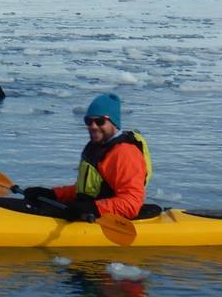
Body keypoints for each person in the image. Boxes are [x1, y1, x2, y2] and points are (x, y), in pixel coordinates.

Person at [22, 93, 151, 221]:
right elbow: (87, 191)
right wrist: (53, 194)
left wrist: (93, 208)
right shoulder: (97, 147)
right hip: (87, 212)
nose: (93, 126)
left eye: (100, 121)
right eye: (89, 121)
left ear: (114, 123)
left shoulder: (125, 153)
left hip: (103, 218)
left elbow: (131, 204)